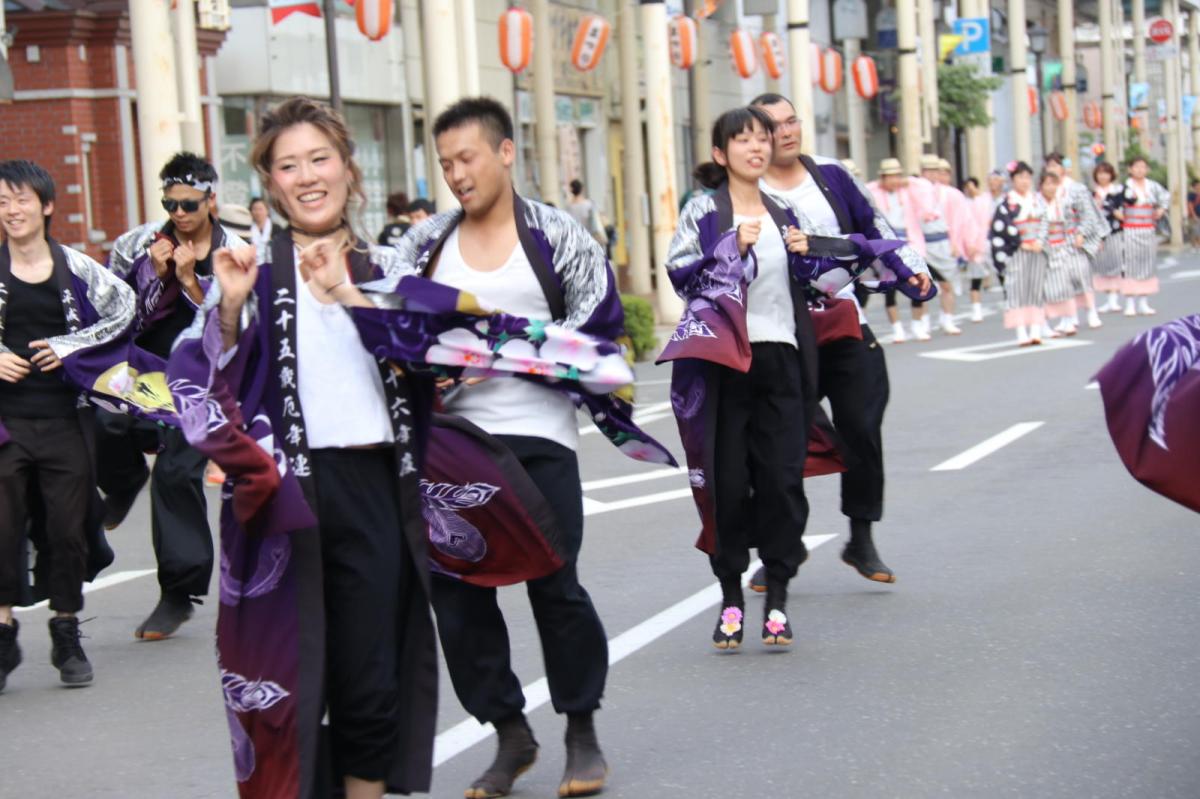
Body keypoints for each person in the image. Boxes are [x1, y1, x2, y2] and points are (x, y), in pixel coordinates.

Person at [169, 96, 438, 799]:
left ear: (348, 168)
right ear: (271, 184)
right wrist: (226, 305)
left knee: (369, 674)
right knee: (284, 680)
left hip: (375, 485)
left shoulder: (389, 263)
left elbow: (437, 358)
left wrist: (348, 293)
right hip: (282, 499)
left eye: (320, 158)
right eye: (288, 165)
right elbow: (194, 375)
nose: (308, 175)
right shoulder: (249, 270)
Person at [395, 97, 618, 799]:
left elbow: (598, 328)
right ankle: (508, 732)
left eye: (468, 158)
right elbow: (391, 325)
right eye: (446, 163)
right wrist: (429, 360)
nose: (458, 174)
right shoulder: (424, 242)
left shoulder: (557, 233)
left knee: (556, 583)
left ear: (504, 152)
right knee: (456, 597)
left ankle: (581, 727)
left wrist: (497, 352)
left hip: (541, 435)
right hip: (451, 446)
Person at [750, 91, 932, 588]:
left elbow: (876, 228)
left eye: (791, 121)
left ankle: (860, 536)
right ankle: (783, 547)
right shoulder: (743, 189)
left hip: (844, 322)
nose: (786, 132)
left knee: (861, 427)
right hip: (781, 334)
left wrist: (911, 272)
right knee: (783, 444)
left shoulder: (831, 174)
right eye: (771, 126)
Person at [0, 159, 136, 690]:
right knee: (2, 528)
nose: (11, 210)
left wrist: (69, 347)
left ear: (47, 206)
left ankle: (66, 630)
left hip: (65, 418)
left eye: (21, 200)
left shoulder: (77, 268)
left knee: (67, 529)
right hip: (6, 422)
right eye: (3, 201)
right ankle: (4, 636)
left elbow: (125, 308)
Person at [102, 152, 247, 641]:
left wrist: (187, 281)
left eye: (188, 203)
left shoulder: (238, 252)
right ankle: (122, 482)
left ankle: (177, 594)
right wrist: (153, 275)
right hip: (141, 372)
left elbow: (232, 327)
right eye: (170, 203)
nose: (179, 213)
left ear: (210, 200)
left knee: (175, 473)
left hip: (202, 383)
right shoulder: (137, 244)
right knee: (99, 421)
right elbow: (114, 314)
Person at [1043, 152, 1107, 331]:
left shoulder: (1076, 188)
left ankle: (1091, 311)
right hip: (1055, 240)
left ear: (1063, 168)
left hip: (1073, 237)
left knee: (1081, 275)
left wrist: (1082, 233)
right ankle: (1067, 317)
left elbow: (1088, 214)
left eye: (1055, 166)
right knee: (1061, 280)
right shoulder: (1045, 189)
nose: (1052, 169)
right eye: (1049, 166)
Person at [991, 161, 1049, 346]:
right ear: (1013, 180)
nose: (1024, 181)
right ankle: (1021, 330)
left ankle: (1036, 329)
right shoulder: (1006, 204)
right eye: (1020, 177)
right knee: (1017, 290)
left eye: (1027, 177)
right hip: (1016, 251)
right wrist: (1021, 242)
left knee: (1036, 289)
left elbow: (1046, 222)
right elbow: (1001, 228)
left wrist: (1040, 241)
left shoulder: (1037, 200)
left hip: (1037, 249)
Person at [915, 154, 973, 336]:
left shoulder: (950, 194)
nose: (932, 174)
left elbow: (958, 221)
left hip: (943, 240)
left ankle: (947, 318)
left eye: (935, 171)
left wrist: (956, 244)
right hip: (922, 242)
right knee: (921, 284)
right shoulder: (914, 191)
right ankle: (922, 322)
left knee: (947, 284)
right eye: (928, 170)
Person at [1119, 156, 1169, 316]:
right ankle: (1130, 302)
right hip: (1130, 229)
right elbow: (1113, 203)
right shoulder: (1124, 187)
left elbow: (1165, 197)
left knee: (1147, 263)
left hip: (1148, 228)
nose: (1140, 170)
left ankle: (1143, 302)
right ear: (1130, 169)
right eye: (1136, 166)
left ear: (1147, 169)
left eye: (1143, 167)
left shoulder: (1152, 186)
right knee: (1130, 263)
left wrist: (1161, 209)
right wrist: (1118, 213)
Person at [962, 176, 998, 322]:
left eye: (972, 187)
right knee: (975, 279)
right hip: (973, 243)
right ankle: (976, 309)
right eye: (967, 188)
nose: (970, 190)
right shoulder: (965, 204)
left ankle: (1011, 303)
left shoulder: (986, 200)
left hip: (989, 241)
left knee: (1001, 273)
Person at [1091, 162, 1125, 312]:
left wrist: (1110, 207)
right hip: (1098, 234)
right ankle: (1108, 298)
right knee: (1102, 265)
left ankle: (1114, 298)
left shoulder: (1119, 192)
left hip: (1115, 231)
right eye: (1100, 173)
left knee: (1116, 262)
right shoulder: (1092, 194)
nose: (1103, 176)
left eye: (1106, 173)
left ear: (1111, 175)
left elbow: (1123, 212)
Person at [566, 178, 609, 249]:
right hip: (591, 240)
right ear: (582, 189)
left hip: (577, 242)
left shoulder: (569, 208)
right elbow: (599, 220)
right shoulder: (590, 204)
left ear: (571, 191)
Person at [248, 196, 273, 262]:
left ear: (267, 211)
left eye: (260, 209)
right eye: (255, 209)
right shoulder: (246, 229)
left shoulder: (276, 228)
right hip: (253, 264)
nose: (258, 212)